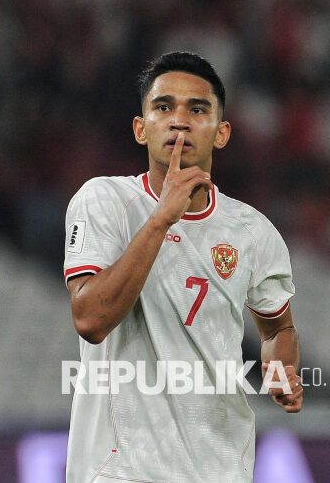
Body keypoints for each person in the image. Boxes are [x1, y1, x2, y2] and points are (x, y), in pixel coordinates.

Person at [63, 51, 302, 482]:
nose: (179, 120)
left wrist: (281, 366)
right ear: (140, 128)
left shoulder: (252, 231)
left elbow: (278, 327)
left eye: (197, 109)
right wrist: (160, 219)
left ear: (222, 132)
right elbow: (90, 318)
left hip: (219, 468)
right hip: (121, 469)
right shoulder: (103, 201)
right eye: (162, 107)